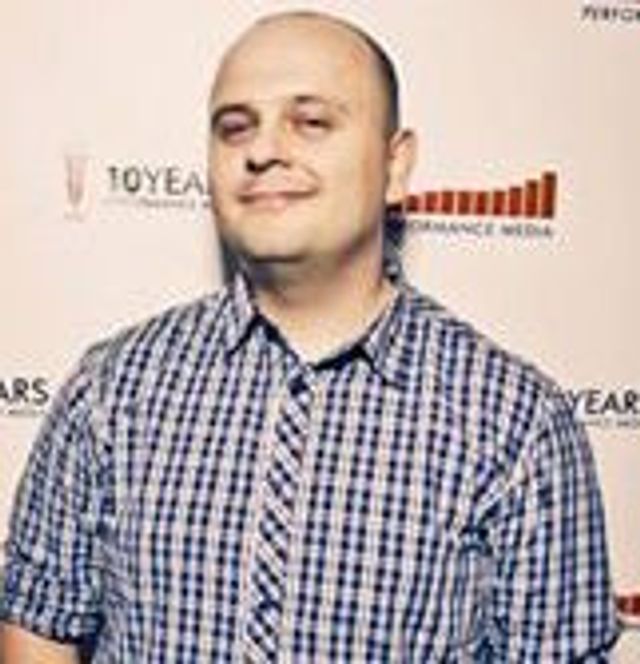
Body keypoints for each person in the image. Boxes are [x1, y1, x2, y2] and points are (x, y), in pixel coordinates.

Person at [1, 10, 619, 662]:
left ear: (395, 165)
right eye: (235, 127)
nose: (262, 150)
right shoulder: (112, 390)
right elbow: (38, 628)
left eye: (312, 122)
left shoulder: (517, 423)